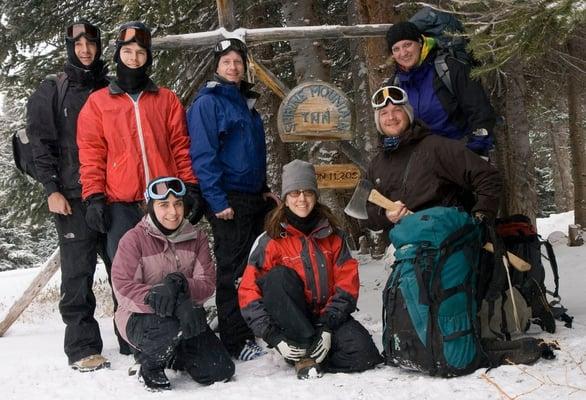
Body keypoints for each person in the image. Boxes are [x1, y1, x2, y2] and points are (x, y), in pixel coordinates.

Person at [238, 160, 383, 380]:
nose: (302, 199)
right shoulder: (270, 240)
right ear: (285, 198)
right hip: (291, 320)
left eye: (307, 192)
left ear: (315, 196)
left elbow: (347, 284)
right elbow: (248, 292)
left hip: (327, 316)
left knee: (365, 355)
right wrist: (273, 336)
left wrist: (327, 325)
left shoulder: (334, 235)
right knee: (277, 277)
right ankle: (301, 350)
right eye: (295, 193)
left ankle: (314, 353)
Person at [77, 21, 201, 266]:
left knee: (172, 266)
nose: (134, 58)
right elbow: (92, 154)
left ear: (148, 57)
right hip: (121, 205)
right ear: (117, 54)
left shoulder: (166, 99)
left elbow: (180, 146)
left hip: (165, 200)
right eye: (128, 51)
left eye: (141, 53)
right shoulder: (98, 103)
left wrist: (190, 187)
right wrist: (94, 197)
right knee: (128, 272)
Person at [26, 20, 112, 371]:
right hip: (71, 198)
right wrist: (51, 190)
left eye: (91, 44)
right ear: (69, 47)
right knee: (78, 273)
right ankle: (82, 347)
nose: (85, 50)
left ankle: (133, 337)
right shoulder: (52, 89)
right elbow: (39, 145)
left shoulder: (110, 87)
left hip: (111, 194)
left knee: (123, 266)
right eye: (78, 45)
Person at [186, 38, 277, 361]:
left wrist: (263, 187)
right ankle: (235, 339)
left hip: (251, 194)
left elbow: (251, 152)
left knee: (252, 267)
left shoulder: (243, 101)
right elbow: (203, 155)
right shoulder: (208, 103)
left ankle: (249, 326)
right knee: (232, 271)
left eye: (238, 61)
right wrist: (215, 199)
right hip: (228, 199)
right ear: (217, 66)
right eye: (226, 61)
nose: (233, 67)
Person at [111, 176, 235, 391]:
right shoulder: (133, 239)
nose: (173, 212)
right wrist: (170, 301)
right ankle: (148, 364)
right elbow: (123, 286)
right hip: (139, 317)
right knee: (169, 325)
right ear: (150, 207)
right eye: (163, 205)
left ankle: (173, 352)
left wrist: (180, 284)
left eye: (178, 204)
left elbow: (206, 283)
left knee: (219, 370)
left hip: (187, 313)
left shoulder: (197, 238)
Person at [363, 85, 501, 232]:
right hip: (403, 249)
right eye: (384, 113)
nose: (391, 117)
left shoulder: (436, 148)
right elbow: (363, 215)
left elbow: (488, 177)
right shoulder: (376, 165)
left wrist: (481, 218)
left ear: (408, 114)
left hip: (449, 243)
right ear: (378, 121)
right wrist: (385, 216)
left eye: (397, 110)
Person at [385, 21, 496, 158]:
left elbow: (480, 111)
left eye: (408, 45)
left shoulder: (448, 68)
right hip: (421, 164)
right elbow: (391, 125)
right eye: (396, 49)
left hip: (460, 155)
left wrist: (477, 151)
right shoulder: (395, 84)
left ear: (420, 42)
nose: (403, 53)